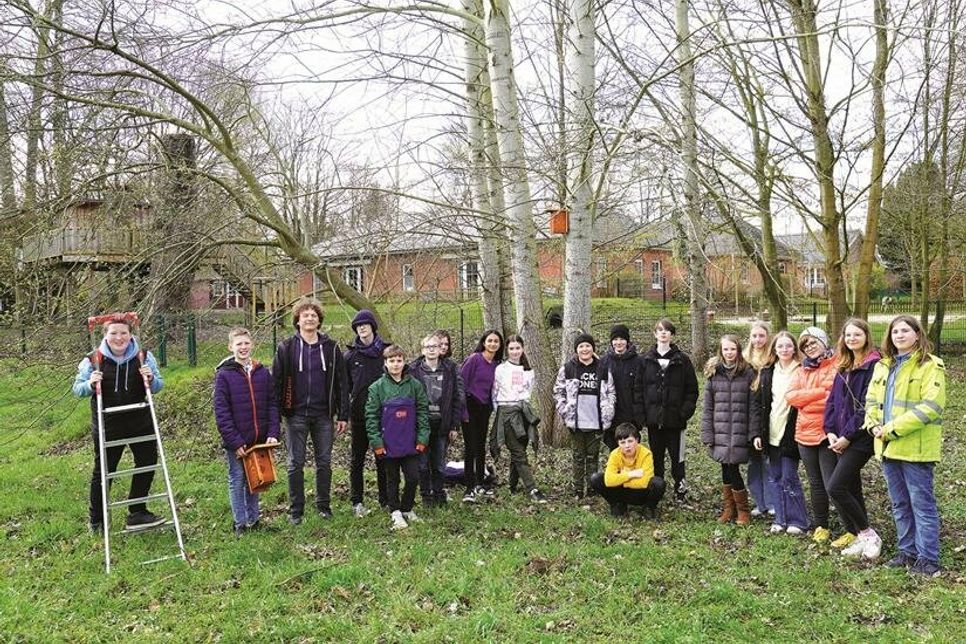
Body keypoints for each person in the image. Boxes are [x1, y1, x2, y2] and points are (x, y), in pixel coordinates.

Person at [865, 315, 946, 577]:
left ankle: (928, 558)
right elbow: (871, 401)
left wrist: (890, 429)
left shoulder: (930, 365)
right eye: (895, 332)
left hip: (915, 449)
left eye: (905, 330)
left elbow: (931, 407)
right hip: (887, 447)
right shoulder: (882, 366)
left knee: (921, 504)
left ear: (917, 334)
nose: (899, 335)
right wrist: (872, 425)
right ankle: (907, 551)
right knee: (900, 503)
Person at [73, 314, 165, 533]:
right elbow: (77, 389)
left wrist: (151, 379)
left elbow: (158, 386)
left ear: (131, 335)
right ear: (105, 335)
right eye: (113, 333)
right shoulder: (93, 360)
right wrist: (90, 383)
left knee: (147, 461)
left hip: (139, 419)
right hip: (108, 423)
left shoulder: (144, 356)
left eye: (124, 333)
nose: (119, 337)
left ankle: (137, 512)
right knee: (104, 470)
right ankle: (97, 520)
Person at [273, 297, 349, 525]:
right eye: (305, 315)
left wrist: (343, 414)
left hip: (323, 415)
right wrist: (276, 414)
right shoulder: (286, 348)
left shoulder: (331, 348)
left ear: (319, 320)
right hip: (295, 414)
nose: (309, 318)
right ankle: (296, 511)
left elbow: (342, 383)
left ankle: (323, 506)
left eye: (313, 315)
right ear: (297, 320)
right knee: (295, 463)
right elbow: (276, 382)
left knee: (324, 462)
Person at [824, 319, 882, 558]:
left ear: (866, 336)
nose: (852, 339)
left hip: (861, 437)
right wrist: (830, 430)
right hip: (839, 436)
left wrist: (847, 436)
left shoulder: (874, 365)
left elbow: (866, 407)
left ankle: (869, 534)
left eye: (857, 334)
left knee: (836, 487)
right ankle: (861, 536)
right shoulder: (844, 365)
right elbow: (832, 401)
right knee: (851, 486)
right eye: (848, 335)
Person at [213, 328, 280, 537]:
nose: (243, 347)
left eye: (246, 343)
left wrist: (273, 432)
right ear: (230, 347)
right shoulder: (224, 375)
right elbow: (222, 412)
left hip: (258, 439)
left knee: (256, 478)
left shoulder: (262, 372)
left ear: (252, 345)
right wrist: (235, 441)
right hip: (237, 440)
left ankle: (254, 519)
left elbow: (272, 403)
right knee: (238, 478)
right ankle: (239, 523)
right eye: (238, 344)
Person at [365, 345, 431, 530]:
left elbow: (423, 413)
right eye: (391, 361)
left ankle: (407, 508)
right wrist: (376, 443)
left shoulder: (415, 386)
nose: (395, 364)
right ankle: (395, 511)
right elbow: (371, 417)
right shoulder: (376, 388)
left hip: (410, 443)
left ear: (404, 362)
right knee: (392, 479)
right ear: (385, 363)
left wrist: (423, 438)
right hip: (387, 444)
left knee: (413, 477)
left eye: (399, 360)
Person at [700, 334, 761, 526]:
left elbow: (754, 407)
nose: (729, 353)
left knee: (733, 468)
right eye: (726, 349)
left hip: (740, 428)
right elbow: (708, 407)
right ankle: (729, 508)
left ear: (738, 350)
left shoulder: (748, 372)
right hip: (720, 429)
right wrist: (707, 433)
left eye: (733, 349)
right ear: (721, 350)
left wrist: (753, 433)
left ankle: (742, 510)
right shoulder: (714, 373)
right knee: (725, 468)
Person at [785, 326, 837, 543]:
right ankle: (821, 525)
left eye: (813, 342)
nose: (810, 348)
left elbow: (833, 398)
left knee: (832, 483)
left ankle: (852, 527)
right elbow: (791, 397)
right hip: (804, 434)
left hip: (827, 433)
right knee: (815, 483)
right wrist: (819, 393)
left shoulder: (835, 365)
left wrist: (806, 400)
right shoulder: (801, 370)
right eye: (805, 345)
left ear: (823, 341)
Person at [640, 318, 699, 503]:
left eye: (667, 330)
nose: (663, 333)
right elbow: (639, 389)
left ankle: (680, 491)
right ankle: (658, 490)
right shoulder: (646, 360)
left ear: (672, 335)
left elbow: (692, 390)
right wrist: (645, 415)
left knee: (677, 459)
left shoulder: (683, 360)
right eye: (660, 330)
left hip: (675, 422)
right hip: (654, 422)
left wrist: (683, 413)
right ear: (655, 334)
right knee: (656, 458)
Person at [757, 331, 809, 535]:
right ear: (774, 349)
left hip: (792, 431)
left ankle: (798, 520)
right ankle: (780, 518)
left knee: (789, 476)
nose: (784, 349)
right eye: (780, 346)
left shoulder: (802, 369)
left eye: (788, 346)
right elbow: (761, 403)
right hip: (771, 429)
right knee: (775, 477)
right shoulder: (768, 371)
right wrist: (758, 433)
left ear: (794, 348)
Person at [553, 332, 616, 499]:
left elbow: (611, 392)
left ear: (592, 348)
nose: (585, 349)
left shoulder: (603, 368)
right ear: (576, 349)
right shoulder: (568, 368)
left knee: (593, 456)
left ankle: (592, 488)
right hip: (576, 421)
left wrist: (608, 409)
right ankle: (578, 489)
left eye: (588, 346)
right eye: (581, 346)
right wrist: (564, 410)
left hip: (596, 420)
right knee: (578, 456)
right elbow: (558, 391)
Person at [489, 334, 547, 503]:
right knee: (518, 452)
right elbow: (494, 392)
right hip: (507, 412)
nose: (515, 351)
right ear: (507, 350)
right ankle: (532, 489)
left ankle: (512, 485)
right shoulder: (501, 369)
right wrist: (501, 411)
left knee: (520, 448)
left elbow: (528, 392)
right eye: (511, 348)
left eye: (518, 348)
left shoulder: (529, 371)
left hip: (524, 412)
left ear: (523, 349)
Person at [409, 334, 464, 508]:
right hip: (421, 425)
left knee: (439, 464)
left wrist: (454, 425)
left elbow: (456, 398)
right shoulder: (413, 370)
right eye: (428, 347)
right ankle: (426, 496)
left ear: (441, 349)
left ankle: (439, 494)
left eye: (435, 346)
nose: (431, 350)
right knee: (422, 464)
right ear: (422, 350)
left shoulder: (450, 368)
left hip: (442, 423)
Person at [345, 309, 389, 517]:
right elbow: (345, 387)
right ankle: (357, 501)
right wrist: (344, 414)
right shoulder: (350, 356)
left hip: (384, 415)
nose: (361, 328)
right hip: (359, 416)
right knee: (357, 459)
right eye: (358, 326)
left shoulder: (387, 352)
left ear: (373, 326)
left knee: (383, 458)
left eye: (365, 324)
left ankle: (386, 499)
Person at [460, 329, 503, 503]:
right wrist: (463, 411)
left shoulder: (497, 365)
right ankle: (469, 487)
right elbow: (461, 384)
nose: (492, 344)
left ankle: (480, 483)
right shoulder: (474, 359)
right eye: (490, 340)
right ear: (484, 342)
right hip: (469, 405)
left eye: (496, 341)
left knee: (480, 446)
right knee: (470, 447)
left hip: (484, 408)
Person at [589, 423, 666, 519]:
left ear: (637, 440)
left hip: (640, 493)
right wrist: (631, 474)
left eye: (630, 441)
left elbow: (645, 482)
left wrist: (620, 478)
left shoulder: (646, 454)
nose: (627, 446)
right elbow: (608, 481)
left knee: (658, 483)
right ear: (618, 443)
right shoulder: (615, 454)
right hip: (621, 492)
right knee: (595, 478)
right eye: (622, 442)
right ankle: (617, 503)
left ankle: (649, 507)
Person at [743, 321, 776, 518]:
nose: (758, 340)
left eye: (761, 336)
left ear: (767, 337)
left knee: (768, 462)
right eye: (754, 336)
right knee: (753, 463)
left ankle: (772, 501)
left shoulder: (773, 359)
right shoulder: (744, 360)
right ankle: (759, 501)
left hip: (768, 413)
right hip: (747, 415)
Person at [599, 324, 645, 451]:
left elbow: (642, 389)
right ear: (611, 342)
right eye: (615, 339)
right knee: (614, 453)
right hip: (611, 418)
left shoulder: (639, 361)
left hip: (631, 418)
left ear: (627, 341)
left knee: (632, 452)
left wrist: (639, 416)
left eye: (622, 339)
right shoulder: (604, 362)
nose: (618, 342)